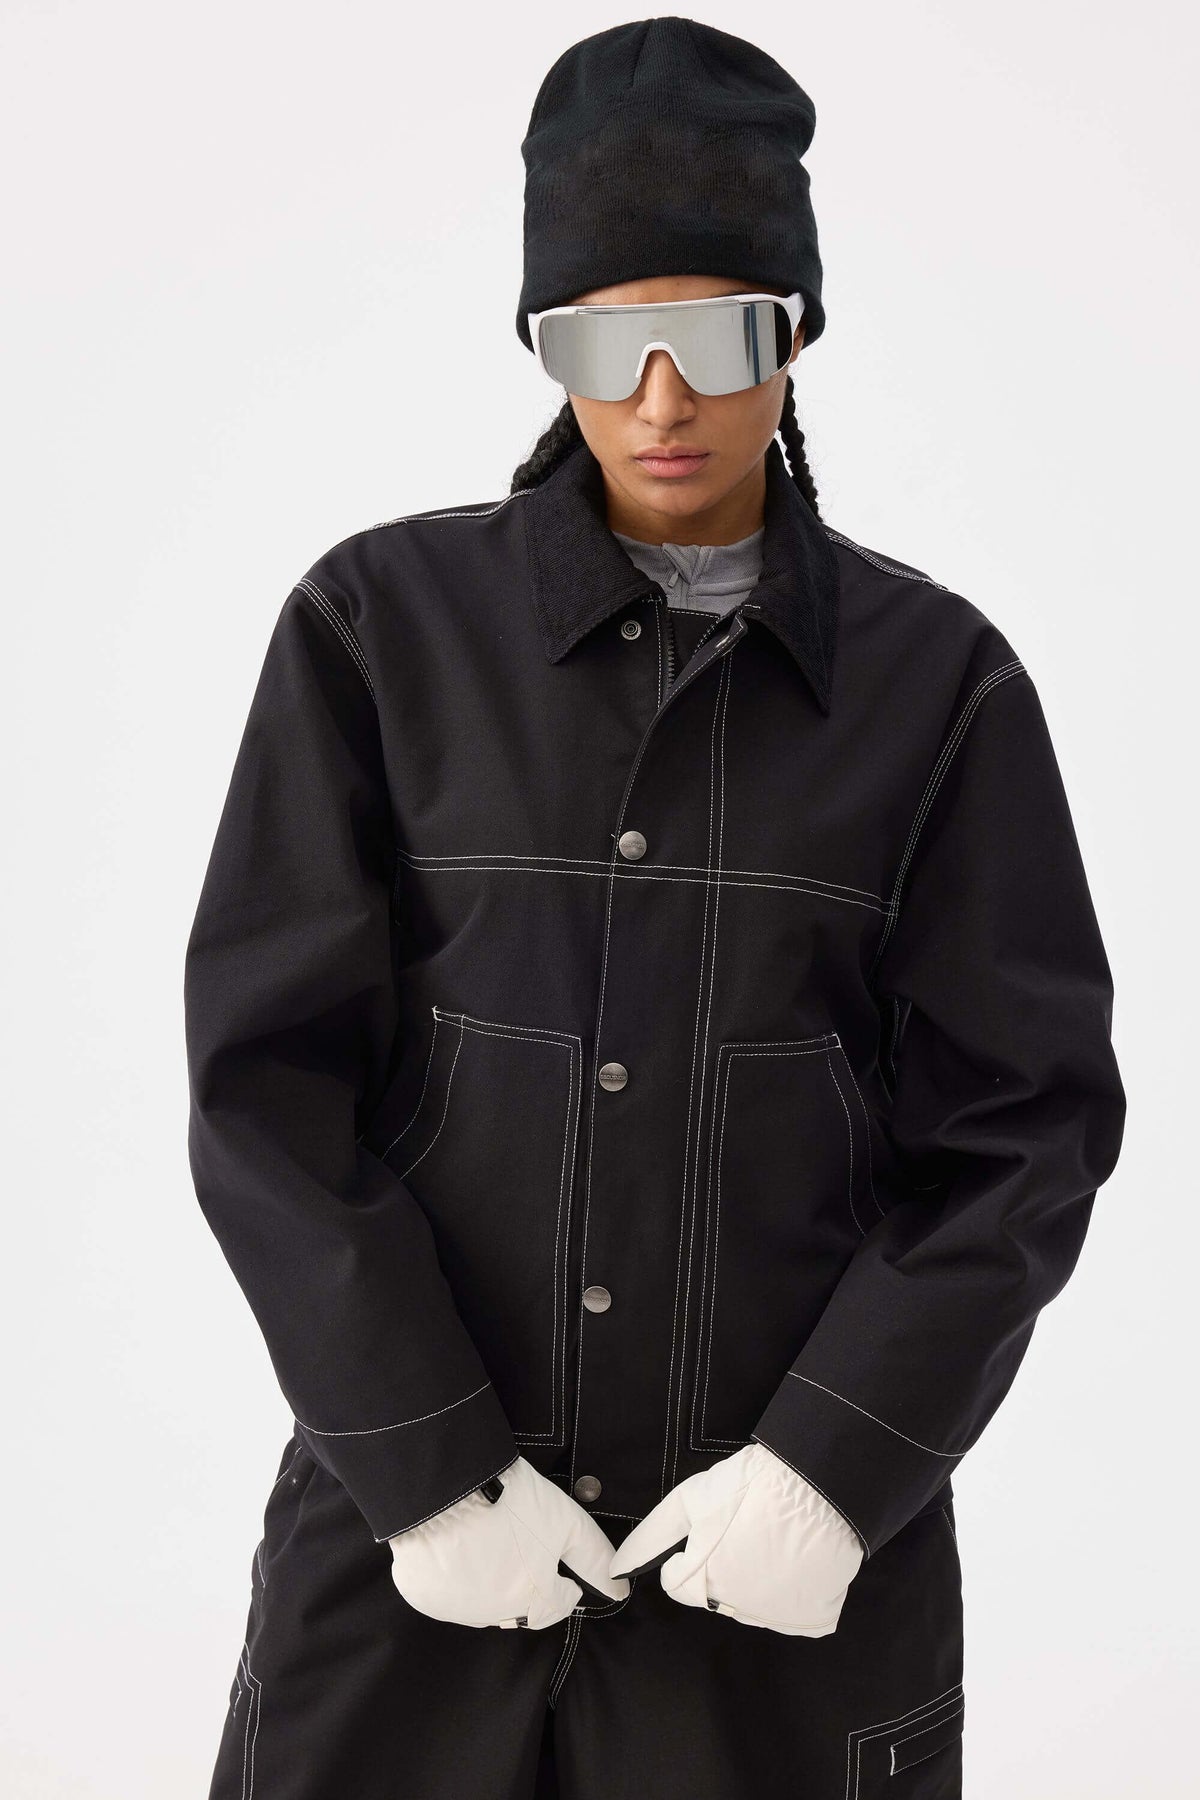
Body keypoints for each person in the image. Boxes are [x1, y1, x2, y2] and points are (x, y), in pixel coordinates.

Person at [183, 18, 1126, 1799]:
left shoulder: (941, 688)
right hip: (406, 1576)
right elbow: (267, 1090)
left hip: (773, 1592)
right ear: (546, 345)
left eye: (719, 334)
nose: (664, 399)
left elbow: (1025, 1129)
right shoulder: (377, 634)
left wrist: (834, 1467)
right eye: (607, 343)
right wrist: (427, 1469)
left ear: (797, 333)